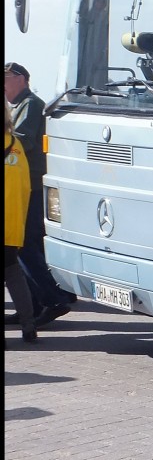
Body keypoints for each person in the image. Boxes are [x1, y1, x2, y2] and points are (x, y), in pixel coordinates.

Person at [4, 62, 75, 328]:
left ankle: (54, 299)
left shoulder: (31, 105)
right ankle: (31, 307)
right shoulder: (18, 106)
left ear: (21, 79)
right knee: (20, 247)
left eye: (6, 78)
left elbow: (22, 140)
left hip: (30, 186)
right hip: (22, 186)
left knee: (25, 246)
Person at [5, 101, 38, 343]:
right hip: (13, 223)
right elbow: (26, 186)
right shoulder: (15, 145)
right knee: (13, 274)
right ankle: (28, 325)